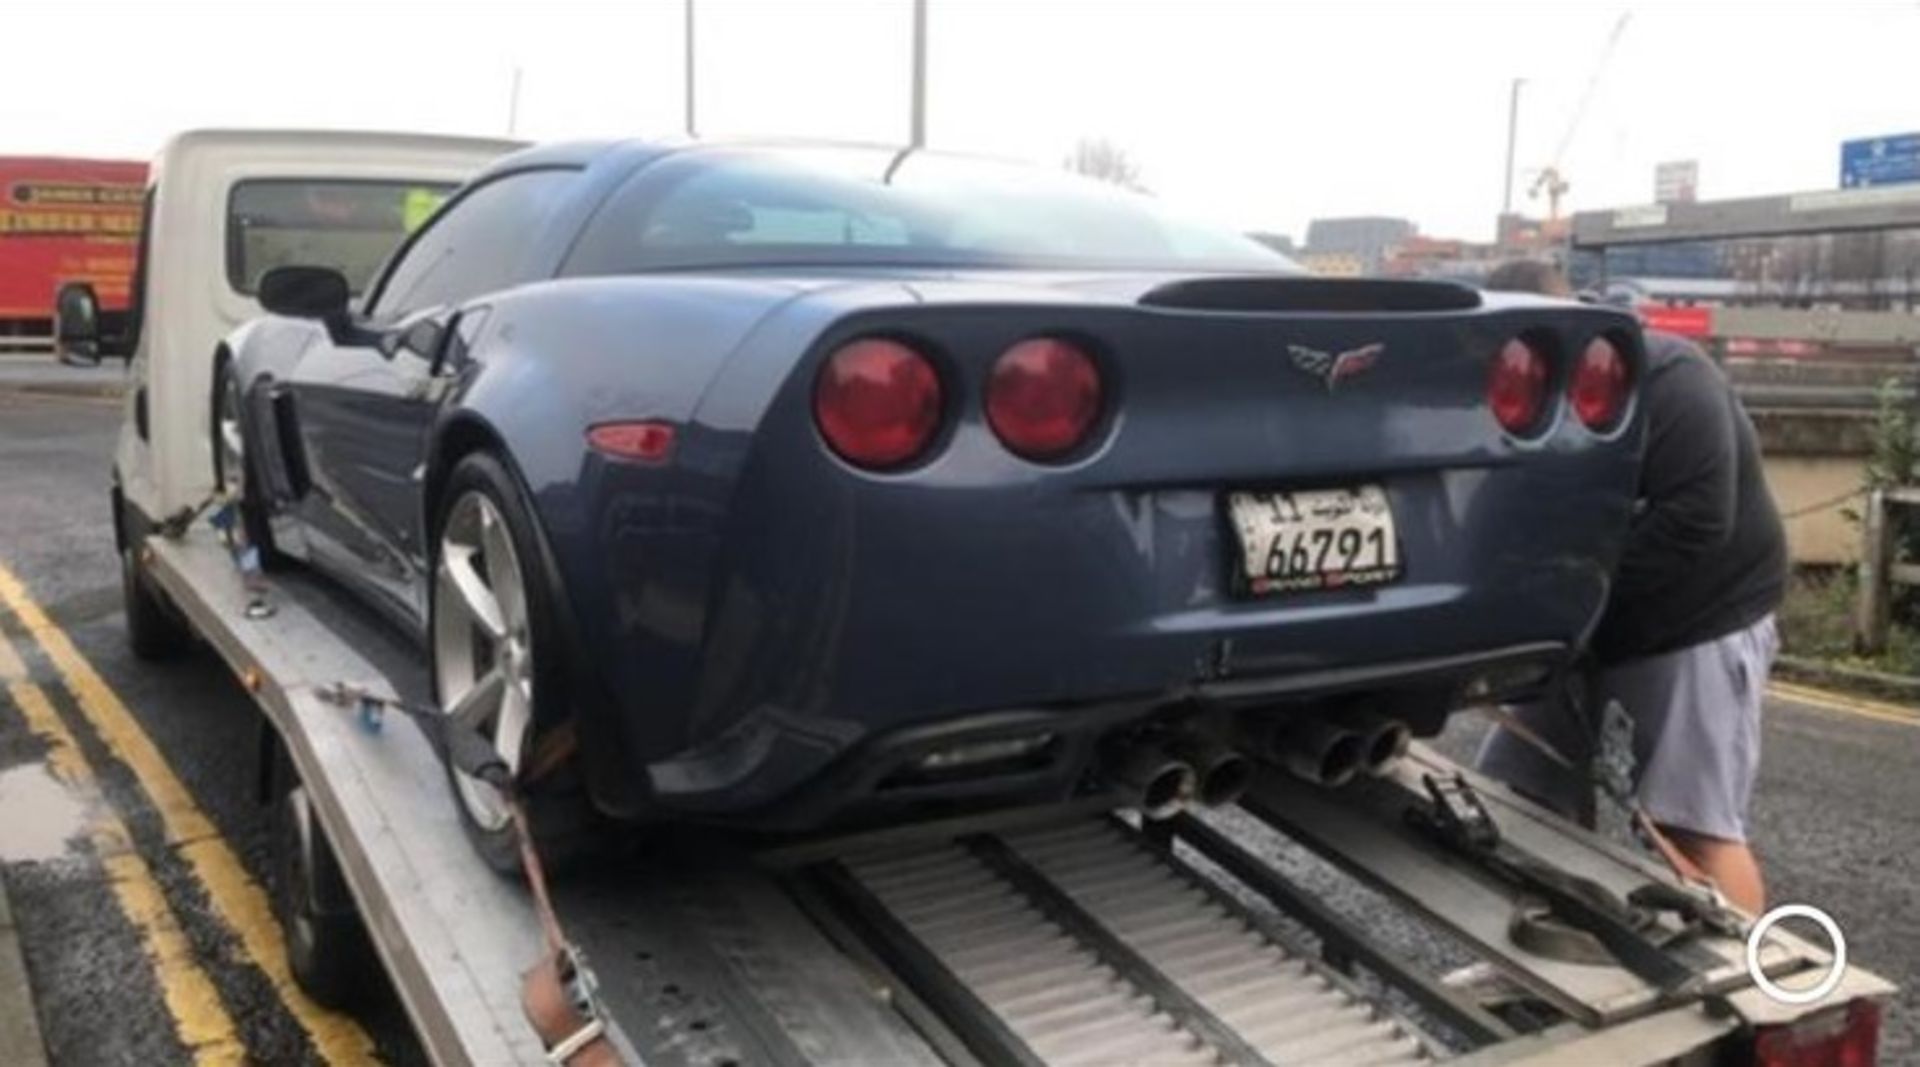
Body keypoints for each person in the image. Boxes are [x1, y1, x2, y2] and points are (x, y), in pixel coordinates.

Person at [1475, 260, 1787, 915]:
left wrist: (1574, 604)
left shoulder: (1669, 375)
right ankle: (1562, 957)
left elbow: (1699, 518)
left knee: (1689, 828)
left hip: (1700, 615)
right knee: (1522, 790)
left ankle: (1745, 999)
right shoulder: (1516, 393)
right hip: (1584, 624)